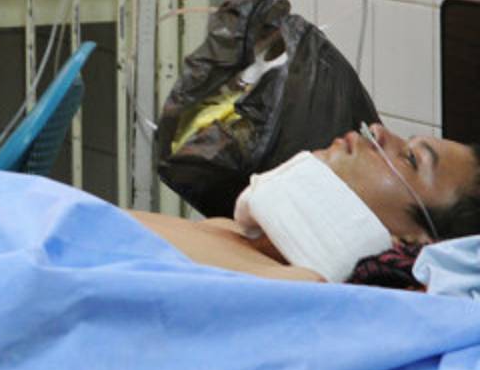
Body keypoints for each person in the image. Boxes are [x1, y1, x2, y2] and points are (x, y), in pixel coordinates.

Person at [132, 123, 480, 284]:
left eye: (411, 159)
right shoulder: (235, 234)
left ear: (414, 242)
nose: (378, 131)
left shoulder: (294, 286)